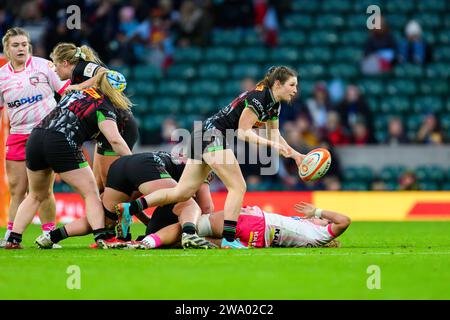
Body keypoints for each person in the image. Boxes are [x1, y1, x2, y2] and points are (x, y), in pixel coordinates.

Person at [116, 66, 305, 249]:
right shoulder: (259, 98)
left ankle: (129, 209)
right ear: (278, 84)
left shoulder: (273, 105)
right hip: (213, 136)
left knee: (182, 192)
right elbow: (243, 132)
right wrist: (273, 145)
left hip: (203, 135)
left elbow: (274, 134)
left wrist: (295, 155)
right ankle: (229, 240)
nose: (295, 90)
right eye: (292, 85)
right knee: (238, 186)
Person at [5, 70, 133, 249]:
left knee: (35, 194)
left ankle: (13, 239)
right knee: (91, 193)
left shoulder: (77, 93)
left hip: (36, 137)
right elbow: (114, 139)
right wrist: (132, 162)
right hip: (61, 140)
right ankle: (101, 237)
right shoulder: (104, 105)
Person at [36, 151, 217, 249]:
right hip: (147, 165)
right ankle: (189, 236)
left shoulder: (181, 161)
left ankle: (52, 236)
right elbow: (206, 206)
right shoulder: (202, 168)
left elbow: (136, 200)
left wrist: (144, 219)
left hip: (124, 165)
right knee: (188, 205)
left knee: (105, 219)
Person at [0, 27, 70, 248]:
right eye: (16, 45)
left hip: (44, 134)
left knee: (42, 190)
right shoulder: (1, 76)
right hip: (18, 136)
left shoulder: (44, 66)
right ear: (6, 49)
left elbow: (67, 91)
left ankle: (48, 235)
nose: (21, 48)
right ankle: (11, 237)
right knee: (16, 190)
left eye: (24, 44)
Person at [49, 42, 139, 193]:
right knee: (99, 187)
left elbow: (107, 74)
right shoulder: (77, 76)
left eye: (55, 65)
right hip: (107, 130)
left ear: (65, 63)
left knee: (112, 189)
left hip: (120, 127)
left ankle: (139, 202)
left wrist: (79, 87)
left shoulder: (81, 68)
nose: (55, 70)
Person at [128, 201, 351, 249]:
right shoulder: (311, 237)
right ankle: (228, 243)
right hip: (256, 241)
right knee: (195, 241)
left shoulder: (320, 233)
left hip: (254, 224)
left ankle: (148, 241)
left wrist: (318, 212)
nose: (320, 219)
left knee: (193, 224)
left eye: (324, 220)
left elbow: (345, 220)